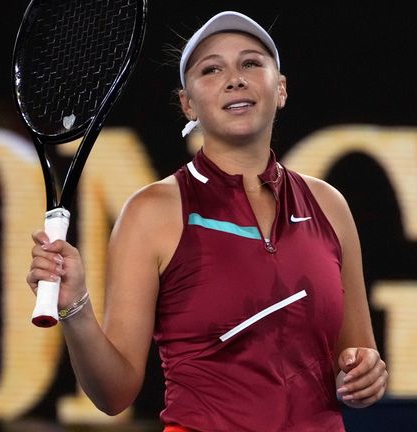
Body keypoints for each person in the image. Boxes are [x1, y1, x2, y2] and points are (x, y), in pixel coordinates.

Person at [27, 10, 388, 431]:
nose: (235, 78)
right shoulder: (151, 212)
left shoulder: (330, 206)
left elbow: (357, 358)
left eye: (251, 63)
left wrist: (365, 374)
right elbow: (114, 394)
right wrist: (75, 308)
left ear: (281, 88)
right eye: (211, 69)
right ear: (187, 104)